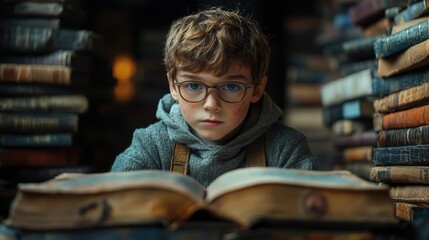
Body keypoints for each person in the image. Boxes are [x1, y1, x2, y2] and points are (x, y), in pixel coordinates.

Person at [111, 7, 319, 187]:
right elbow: (114, 204)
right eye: (193, 85)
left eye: (230, 86)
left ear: (257, 89)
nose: (211, 105)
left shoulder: (285, 148)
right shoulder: (152, 146)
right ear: (173, 86)